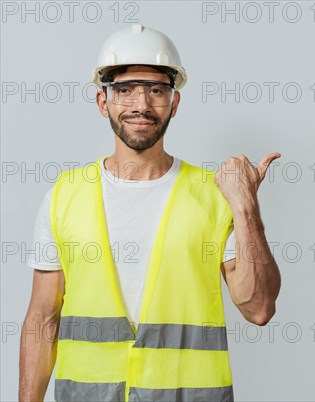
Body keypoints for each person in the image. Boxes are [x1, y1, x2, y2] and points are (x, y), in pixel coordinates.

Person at [18, 24, 281, 402]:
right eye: (124, 90)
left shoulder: (214, 196)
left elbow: (259, 308)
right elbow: (42, 318)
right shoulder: (64, 196)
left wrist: (246, 206)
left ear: (174, 104)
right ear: (102, 102)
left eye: (156, 90)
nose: (141, 105)